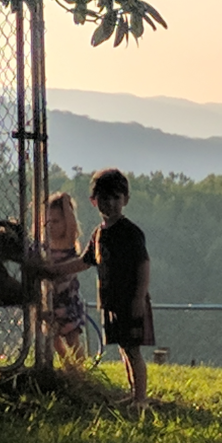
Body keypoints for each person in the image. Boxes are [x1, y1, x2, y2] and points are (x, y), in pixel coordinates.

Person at [41, 169, 153, 407]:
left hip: (130, 300)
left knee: (133, 351)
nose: (110, 203)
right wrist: (54, 270)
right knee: (124, 350)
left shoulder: (130, 233)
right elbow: (84, 261)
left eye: (115, 197)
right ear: (94, 202)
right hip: (112, 302)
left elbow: (143, 265)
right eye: (103, 198)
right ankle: (134, 394)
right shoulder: (99, 234)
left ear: (125, 199)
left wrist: (139, 298)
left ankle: (141, 398)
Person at [46, 191, 86, 364]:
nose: (51, 226)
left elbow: (71, 225)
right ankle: (68, 365)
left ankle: (80, 368)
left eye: (56, 221)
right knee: (52, 337)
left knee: (72, 338)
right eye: (48, 222)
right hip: (50, 299)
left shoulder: (67, 243)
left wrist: (65, 202)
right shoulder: (45, 244)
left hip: (68, 299)